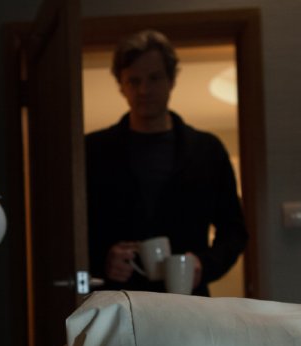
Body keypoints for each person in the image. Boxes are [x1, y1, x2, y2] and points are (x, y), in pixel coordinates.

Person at [86, 29, 249, 296]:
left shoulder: (207, 150)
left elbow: (234, 231)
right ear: (121, 85)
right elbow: (71, 231)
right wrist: (102, 260)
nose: (144, 90)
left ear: (171, 80)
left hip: (186, 300)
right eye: (134, 80)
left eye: (154, 78)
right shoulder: (92, 151)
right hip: (119, 299)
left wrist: (203, 265)